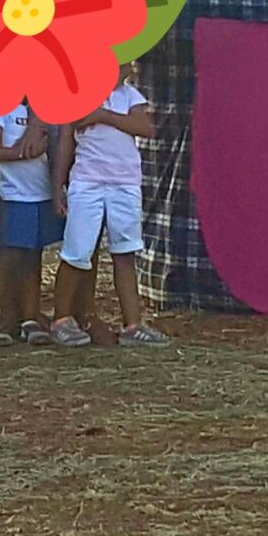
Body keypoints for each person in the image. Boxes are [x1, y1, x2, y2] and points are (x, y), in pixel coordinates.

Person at [49, 63, 168, 348]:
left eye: (126, 65)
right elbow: (68, 134)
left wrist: (103, 115)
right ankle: (61, 319)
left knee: (125, 251)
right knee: (77, 252)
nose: (123, 69)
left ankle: (132, 324)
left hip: (124, 184)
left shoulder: (131, 96)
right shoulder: (77, 93)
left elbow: (147, 127)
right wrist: (57, 186)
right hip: (87, 183)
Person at [0, 102, 64, 346]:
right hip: (16, 196)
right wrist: (25, 152)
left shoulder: (42, 110)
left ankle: (29, 317)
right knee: (8, 259)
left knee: (33, 257)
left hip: (41, 193)